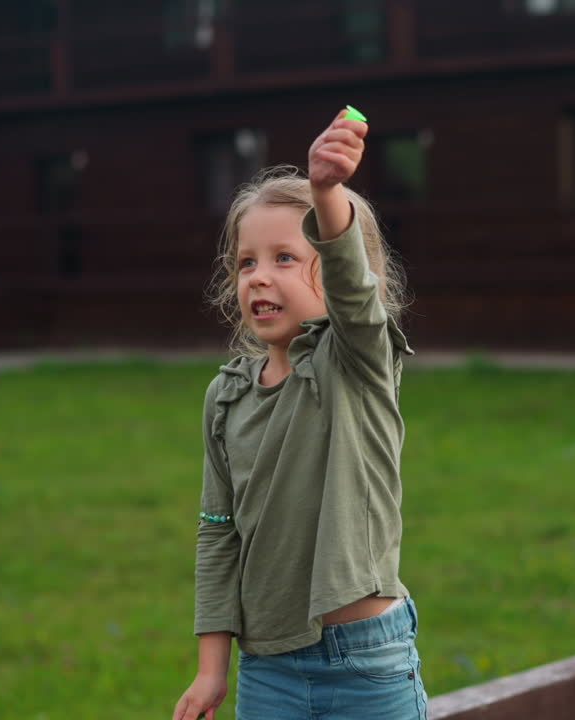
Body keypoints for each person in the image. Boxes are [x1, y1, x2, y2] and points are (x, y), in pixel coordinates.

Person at [172, 109, 426, 720]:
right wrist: (212, 671)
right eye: (246, 262)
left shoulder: (354, 365)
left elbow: (354, 299)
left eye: (285, 257)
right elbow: (217, 530)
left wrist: (326, 193)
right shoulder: (226, 397)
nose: (259, 276)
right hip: (268, 670)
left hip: (367, 663)